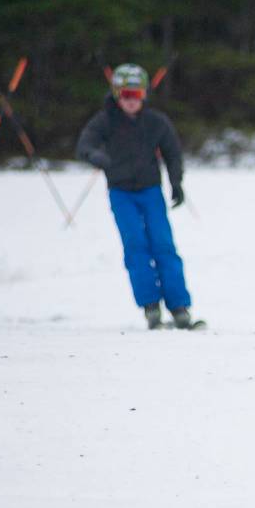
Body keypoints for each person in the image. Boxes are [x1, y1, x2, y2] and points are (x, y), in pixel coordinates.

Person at [76, 63, 195, 330]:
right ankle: (150, 307)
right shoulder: (105, 121)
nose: (132, 101)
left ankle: (179, 307)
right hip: (121, 194)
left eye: (137, 95)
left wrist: (176, 183)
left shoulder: (156, 122)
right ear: (117, 95)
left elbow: (173, 153)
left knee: (164, 246)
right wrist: (96, 156)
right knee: (136, 247)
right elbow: (84, 145)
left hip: (151, 191)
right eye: (127, 95)